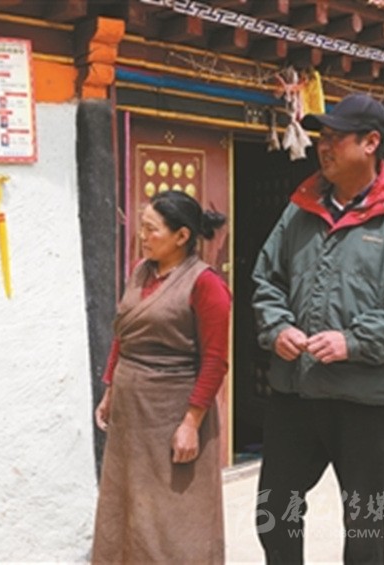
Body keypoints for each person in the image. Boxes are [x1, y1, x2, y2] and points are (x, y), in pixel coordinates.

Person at [251, 93, 384, 563]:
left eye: (336, 137)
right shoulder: (301, 208)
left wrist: (354, 341)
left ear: (370, 142)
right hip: (296, 392)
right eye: (322, 137)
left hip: (366, 400)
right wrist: (277, 327)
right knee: (275, 513)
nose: (324, 146)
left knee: (364, 524)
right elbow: (267, 279)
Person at [92, 191, 231, 564]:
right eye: (142, 227)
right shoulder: (142, 270)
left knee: (173, 513)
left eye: (152, 229)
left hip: (172, 413)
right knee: (127, 502)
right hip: (131, 410)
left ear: (182, 236)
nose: (143, 236)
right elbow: (123, 334)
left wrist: (191, 423)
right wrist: (110, 389)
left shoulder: (205, 284)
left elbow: (215, 361)